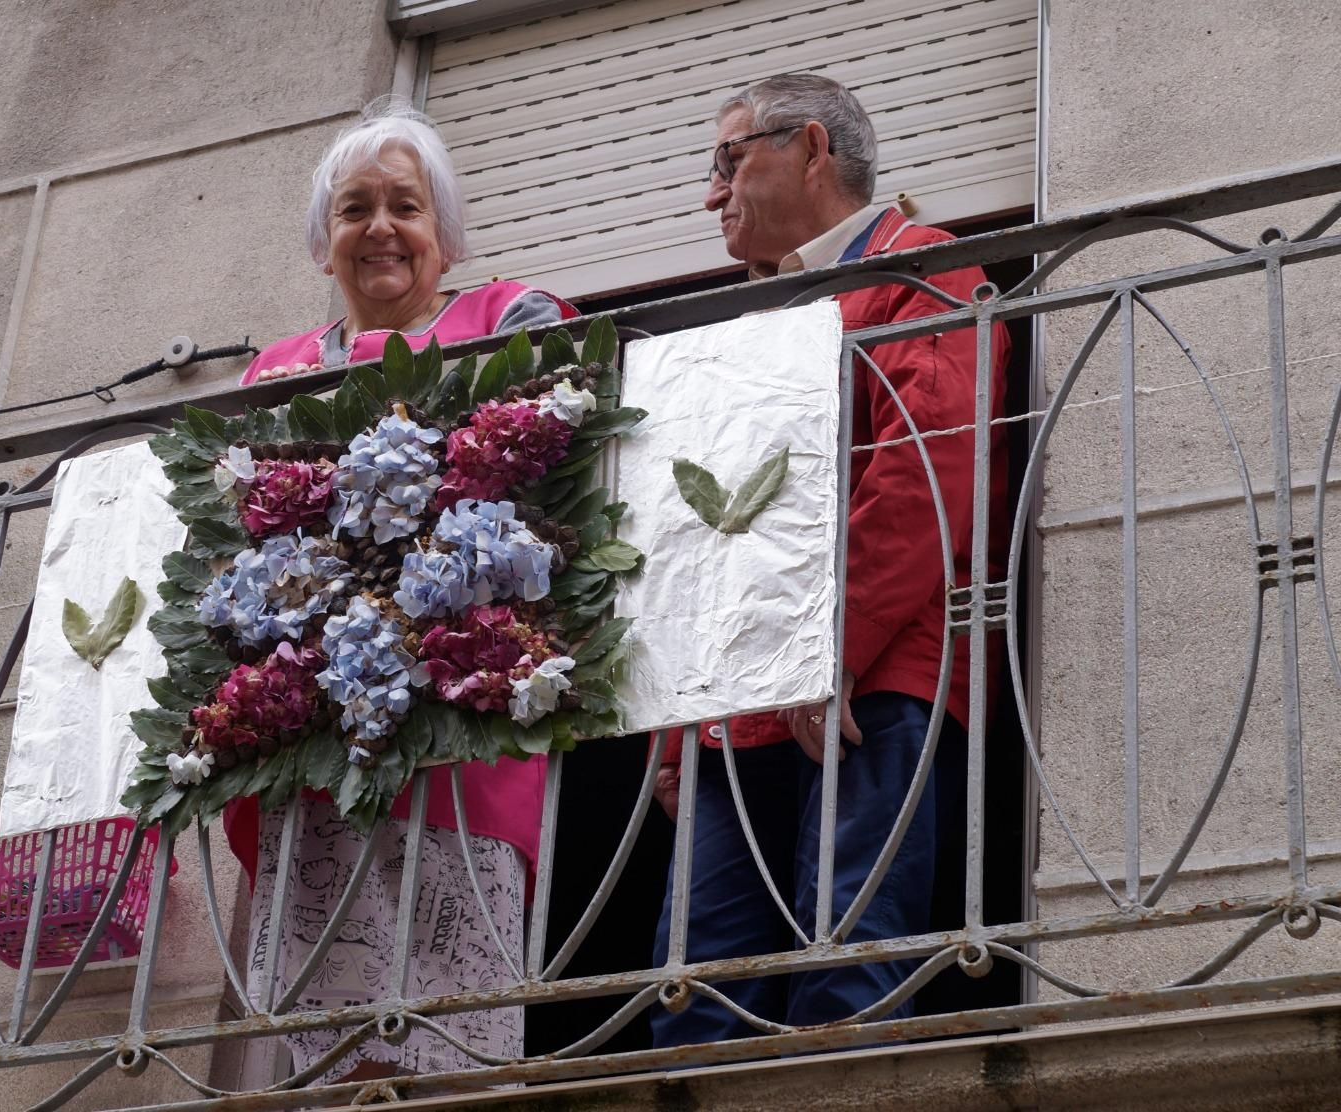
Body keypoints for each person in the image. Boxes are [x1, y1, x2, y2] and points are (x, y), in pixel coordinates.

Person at [222, 97, 578, 1083]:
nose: (380, 227)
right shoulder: (276, 368)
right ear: (323, 243)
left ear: (444, 235)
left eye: (405, 206)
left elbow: (559, 437)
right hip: (312, 740)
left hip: (457, 726)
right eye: (354, 209)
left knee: (450, 1034)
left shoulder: (506, 317)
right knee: (326, 1050)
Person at [649, 74, 1009, 1044]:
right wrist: (682, 723)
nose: (709, 192)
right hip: (745, 700)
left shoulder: (921, 264)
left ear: (811, 147)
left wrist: (829, 648)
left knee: (844, 975)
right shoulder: (752, 321)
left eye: (730, 160)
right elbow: (707, 534)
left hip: (870, 675)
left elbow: (921, 472)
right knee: (693, 995)